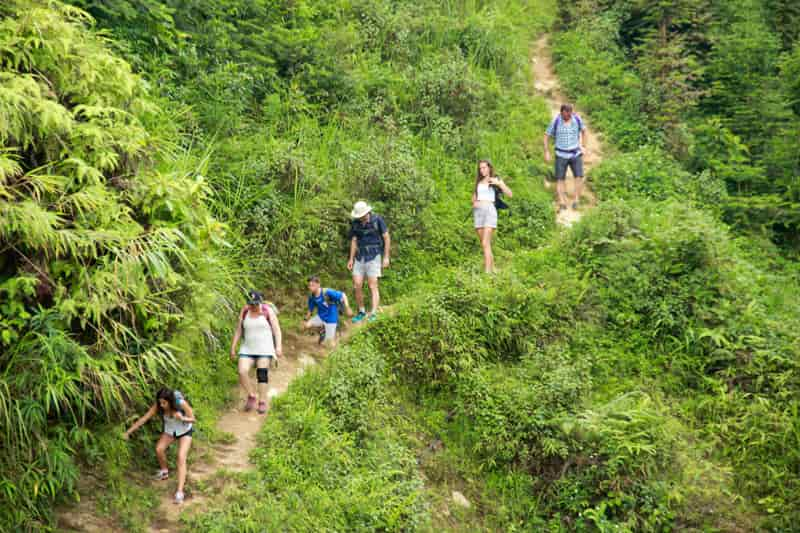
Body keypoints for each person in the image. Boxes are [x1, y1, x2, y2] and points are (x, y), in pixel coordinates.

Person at [123, 388, 195, 504]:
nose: (161, 405)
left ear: (171, 401)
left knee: (181, 457)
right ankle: (164, 471)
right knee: (159, 449)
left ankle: (180, 492)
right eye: (160, 402)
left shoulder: (180, 403)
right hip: (170, 431)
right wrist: (128, 432)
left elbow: (193, 419)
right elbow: (144, 419)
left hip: (185, 430)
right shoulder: (158, 405)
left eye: (164, 403)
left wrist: (181, 418)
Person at [229, 290, 282, 414]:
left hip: (265, 349)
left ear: (260, 302)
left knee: (261, 372)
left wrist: (278, 346)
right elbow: (238, 331)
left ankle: (262, 401)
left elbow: (277, 330)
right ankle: (251, 395)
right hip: (248, 348)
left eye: (255, 304)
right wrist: (233, 347)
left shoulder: (267, 311)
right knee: (242, 371)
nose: (253, 306)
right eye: (251, 304)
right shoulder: (245, 311)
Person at [347, 201, 390, 323]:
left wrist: (386, 257)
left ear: (367, 212)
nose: (360, 217)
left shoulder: (377, 220)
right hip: (360, 257)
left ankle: (374, 313)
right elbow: (354, 241)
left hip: (374, 255)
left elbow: (386, 237)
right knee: (357, 285)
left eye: (361, 215)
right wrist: (351, 259)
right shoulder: (355, 224)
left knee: (373, 284)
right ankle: (361, 311)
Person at [544, 103, 588, 211]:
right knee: (560, 179)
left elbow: (584, 131)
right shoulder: (556, 121)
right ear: (561, 112)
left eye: (570, 114)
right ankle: (562, 202)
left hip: (575, 153)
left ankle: (576, 200)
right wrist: (546, 151)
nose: (568, 116)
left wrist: (584, 146)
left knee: (579, 177)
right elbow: (546, 136)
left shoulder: (576, 119)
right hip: (560, 154)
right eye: (566, 114)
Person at [472, 159, 512, 274]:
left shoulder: (495, 180)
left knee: (485, 243)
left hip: (489, 211)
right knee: (485, 244)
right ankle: (493, 268)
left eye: (484, 167)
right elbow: (474, 198)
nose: (482, 170)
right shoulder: (478, 182)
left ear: (489, 168)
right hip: (478, 213)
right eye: (480, 168)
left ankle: (487, 272)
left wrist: (499, 184)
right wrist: (475, 203)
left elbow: (510, 194)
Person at [303, 275, 353, 346]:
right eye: (309, 285)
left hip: (331, 318)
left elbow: (343, 295)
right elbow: (310, 310)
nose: (310, 287)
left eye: (313, 285)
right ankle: (322, 330)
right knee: (307, 325)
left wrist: (347, 307)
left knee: (329, 344)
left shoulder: (327, 292)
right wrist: (305, 320)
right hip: (321, 316)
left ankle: (336, 348)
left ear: (318, 285)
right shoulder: (312, 296)